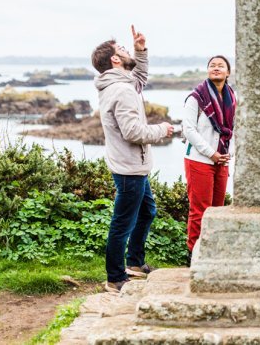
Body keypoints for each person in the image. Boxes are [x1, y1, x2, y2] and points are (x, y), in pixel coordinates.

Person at [92, 25, 174, 293]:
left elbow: (138, 77)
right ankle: (115, 278)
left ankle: (135, 263)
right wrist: (163, 129)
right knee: (122, 223)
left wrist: (140, 51)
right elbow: (133, 132)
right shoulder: (122, 91)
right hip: (129, 168)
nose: (127, 51)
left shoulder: (118, 84)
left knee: (147, 211)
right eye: (124, 50)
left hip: (132, 165)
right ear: (115, 59)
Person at [182, 55, 236, 265]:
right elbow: (189, 130)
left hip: (221, 160)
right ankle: (194, 253)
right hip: (199, 159)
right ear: (207, 71)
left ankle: (213, 252)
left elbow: (234, 129)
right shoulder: (196, 97)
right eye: (212, 65)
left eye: (220, 66)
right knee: (200, 210)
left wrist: (228, 154)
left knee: (218, 209)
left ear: (227, 72)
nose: (216, 68)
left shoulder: (233, 97)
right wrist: (210, 152)